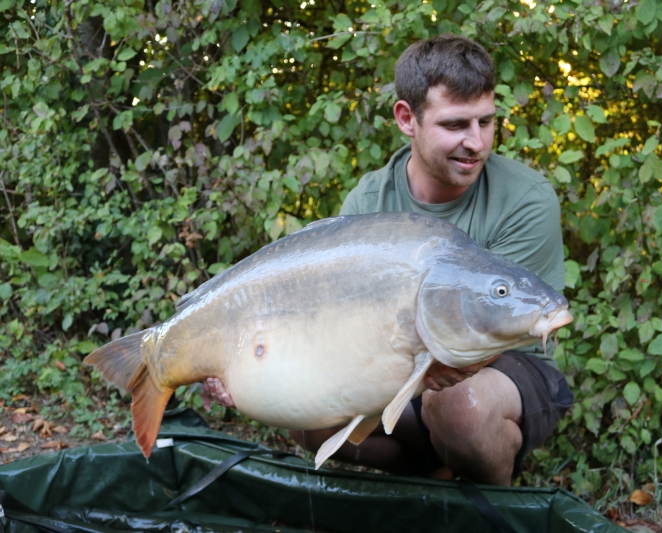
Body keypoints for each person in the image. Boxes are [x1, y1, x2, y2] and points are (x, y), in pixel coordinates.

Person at [204, 34, 573, 486]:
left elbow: (499, 326)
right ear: (406, 118)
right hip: (398, 362)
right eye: (456, 125)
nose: (476, 142)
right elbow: (335, 329)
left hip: (504, 368)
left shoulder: (525, 198)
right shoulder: (371, 201)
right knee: (308, 413)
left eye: (486, 122)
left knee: (459, 409)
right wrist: (247, 374)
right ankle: (435, 475)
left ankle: (489, 509)